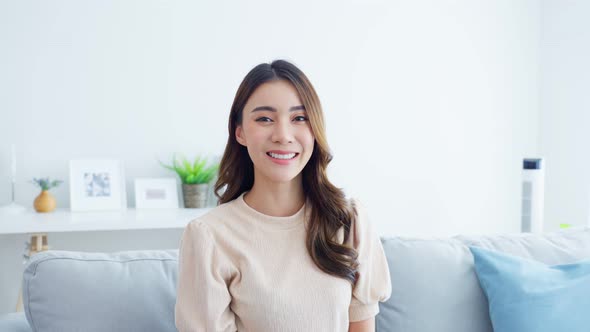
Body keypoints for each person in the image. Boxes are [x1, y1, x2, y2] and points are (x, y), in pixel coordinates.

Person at [175, 59, 391, 332]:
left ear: (315, 130)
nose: (283, 135)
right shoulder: (209, 237)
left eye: (299, 118)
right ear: (239, 132)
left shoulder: (348, 221)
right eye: (264, 119)